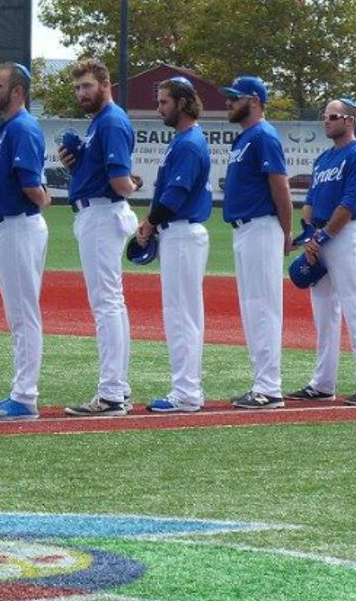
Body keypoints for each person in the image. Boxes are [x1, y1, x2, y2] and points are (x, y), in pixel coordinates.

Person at [60, 58, 141, 417]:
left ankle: (110, 394)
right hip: (98, 212)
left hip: (102, 212)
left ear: (105, 83)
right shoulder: (101, 122)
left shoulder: (110, 121)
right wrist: (77, 165)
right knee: (112, 302)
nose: (81, 93)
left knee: (106, 303)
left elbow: (121, 182)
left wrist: (134, 183)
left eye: (87, 86)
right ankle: (117, 389)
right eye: (78, 88)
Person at [289, 98, 356, 405]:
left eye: (333, 116)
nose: (326, 121)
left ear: (349, 120)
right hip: (321, 237)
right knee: (324, 314)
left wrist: (324, 236)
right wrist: (309, 236)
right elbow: (311, 201)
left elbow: (351, 201)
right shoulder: (324, 158)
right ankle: (323, 383)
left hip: (345, 235)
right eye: (325, 116)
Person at [0, 62, 51, 421]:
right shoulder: (8, 129)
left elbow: (31, 186)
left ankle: (24, 397)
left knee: (23, 314)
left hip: (20, 225)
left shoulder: (21, 127)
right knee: (19, 313)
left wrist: (44, 197)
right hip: (9, 225)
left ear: (18, 91)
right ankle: (21, 394)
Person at [135, 77, 212, 413]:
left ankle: (186, 393)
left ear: (182, 102)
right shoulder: (183, 141)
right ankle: (187, 389)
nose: (159, 109)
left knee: (182, 316)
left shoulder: (188, 143)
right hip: (178, 233)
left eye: (164, 102)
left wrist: (150, 223)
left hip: (181, 231)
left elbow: (175, 195)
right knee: (182, 314)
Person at [221, 75, 293, 410]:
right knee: (253, 309)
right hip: (245, 230)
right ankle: (261, 383)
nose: (228, 103)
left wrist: (285, 232)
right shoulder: (245, 138)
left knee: (263, 308)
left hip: (263, 227)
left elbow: (280, 187)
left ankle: (270, 388)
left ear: (254, 100)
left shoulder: (263, 135)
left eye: (235, 97)